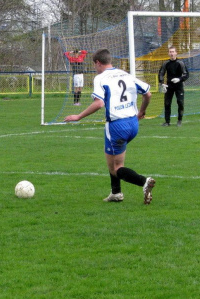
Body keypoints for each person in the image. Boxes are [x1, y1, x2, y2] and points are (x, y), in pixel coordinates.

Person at [64, 48, 155, 204]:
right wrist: (141, 111)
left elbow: (99, 103)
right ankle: (116, 193)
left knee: (116, 168)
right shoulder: (125, 74)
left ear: (98, 63)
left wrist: (78, 116)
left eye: (94, 65)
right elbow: (148, 93)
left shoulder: (100, 78)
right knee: (112, 159)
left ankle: (144, 182)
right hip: (133, 123)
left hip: (117, 125)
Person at [158, 46, 189, 127]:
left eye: (173, 52)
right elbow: (161, 73)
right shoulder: (166, 63)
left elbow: (186, 74)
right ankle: (167, 122)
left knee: (180, 102)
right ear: (168, 53)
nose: (171, 53)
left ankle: (179, 120)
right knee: (167, 103)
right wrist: (162, 83)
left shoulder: (180, 63)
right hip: (169, 86)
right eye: (170, 52)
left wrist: (179, 79)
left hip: (179, 86)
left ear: (176, 53)